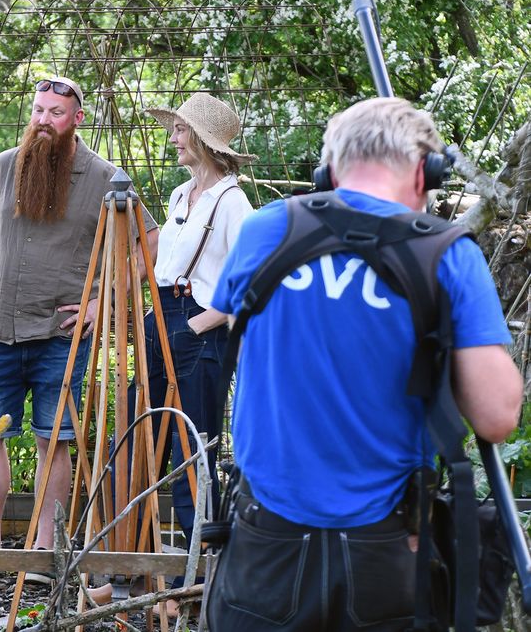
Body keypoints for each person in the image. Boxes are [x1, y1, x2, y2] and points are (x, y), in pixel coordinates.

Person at [206, 97, 522, 630]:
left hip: (265, 545)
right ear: (429, 172)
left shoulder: (265, 231)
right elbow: (496, 416)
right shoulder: (445, 255)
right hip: (388, 550)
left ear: (327, 170)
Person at [0, 76, 159, 552]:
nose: (43, 121)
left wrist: (100, 301)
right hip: (1, 329)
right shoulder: (5, 167)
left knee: (55, 441)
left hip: (62, 336)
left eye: (56, 113)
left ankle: (46, 548)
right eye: (38, 110)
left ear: (78, 120)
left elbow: (147, 242)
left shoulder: (106, 179)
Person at [136, 93, 255, 619]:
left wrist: (199, 323)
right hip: (162, 318)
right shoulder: (182, 193)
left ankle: (199, 576)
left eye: (181, 129)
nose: (173, 137)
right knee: (145, 437)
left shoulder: (233, 204)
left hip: (200, 328)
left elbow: (251, 281)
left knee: (192, 447)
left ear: (205, 140)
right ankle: (139, 572)